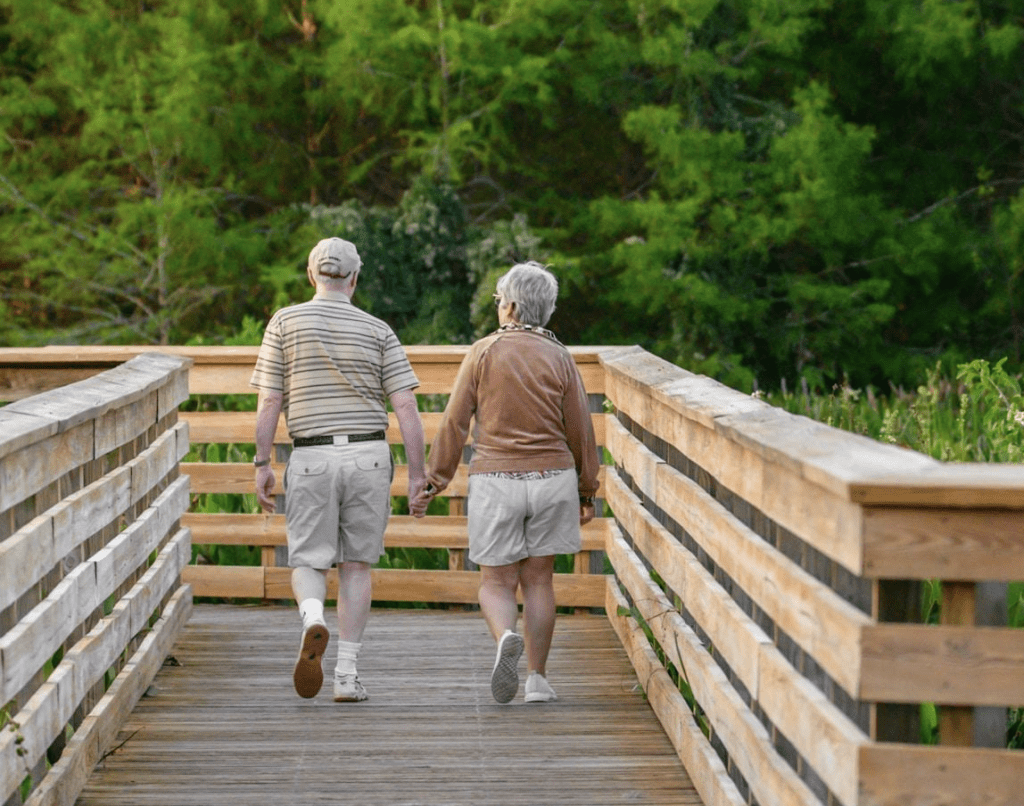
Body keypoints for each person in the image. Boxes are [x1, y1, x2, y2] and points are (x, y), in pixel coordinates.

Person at [410, 261, 599, 704]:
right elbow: (580, 429)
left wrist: (433, 481)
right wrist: (586, 489)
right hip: (552, 479)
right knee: (539, 581)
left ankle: (503, 640)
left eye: (499, 301)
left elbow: (455, 423)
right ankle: (537, 679)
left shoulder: (482, 352)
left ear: (510, 306)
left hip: (496, 479)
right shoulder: (560, 356)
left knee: (495, 582)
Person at [251, 237, 426, 702]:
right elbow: (406, 406)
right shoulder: (378, 329)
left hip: (310, 455)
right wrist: (418, 474)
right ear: (354, 278)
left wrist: (262, 462)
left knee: (309, 558)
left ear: (312, 276)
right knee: (355, 566)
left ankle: (312, 616)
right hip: (368, 456)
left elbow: (270, 399)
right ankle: (346, 676)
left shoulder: (284, 323)